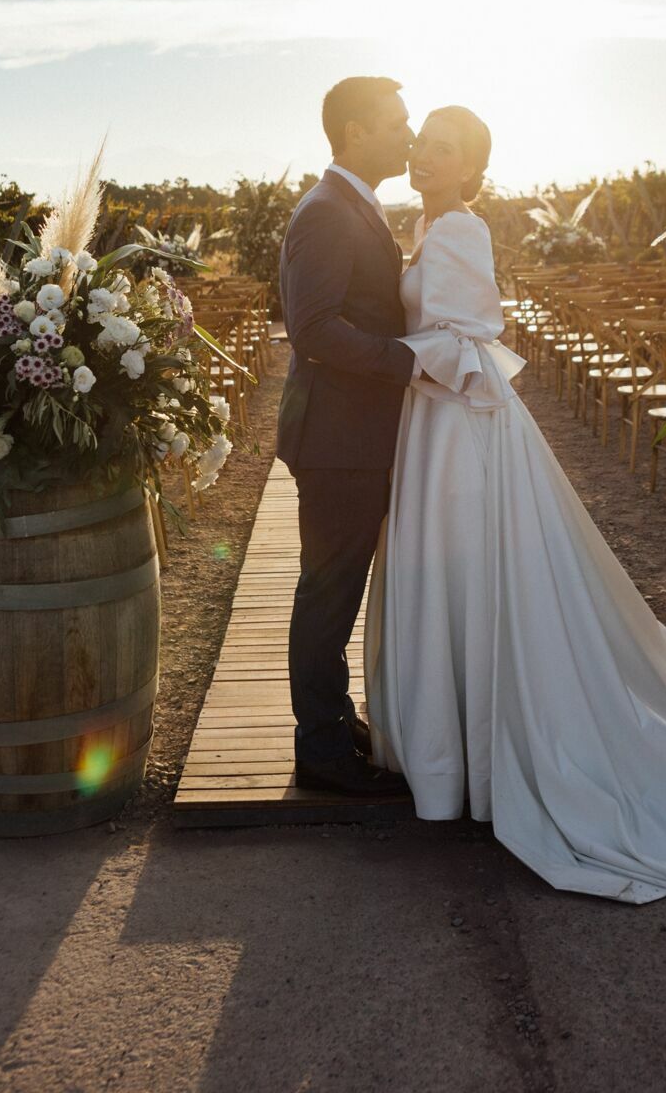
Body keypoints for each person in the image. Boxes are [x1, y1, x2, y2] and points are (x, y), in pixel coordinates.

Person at [364, 105, 666, 918]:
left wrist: (375, 356)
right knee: (445, 570)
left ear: (471, 165)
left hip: (458, 421)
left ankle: (484, 759)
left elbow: (469, 335)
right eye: (419, 144)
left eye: (441, 150)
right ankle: (452, 750)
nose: (422, 157)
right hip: (433, 418)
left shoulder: (460, 231)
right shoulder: (424, 221)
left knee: (471, 568)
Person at [277, 76, 416, 795]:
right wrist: (409, 361)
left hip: (351, 432)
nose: (408, 134)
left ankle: (330, 723)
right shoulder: (328, 211)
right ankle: (320, 749)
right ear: (355, 131)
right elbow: (313, 329)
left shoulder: (353, 203)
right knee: (327, 593)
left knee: (335, 590)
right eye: (396, 122)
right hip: (337, 437)